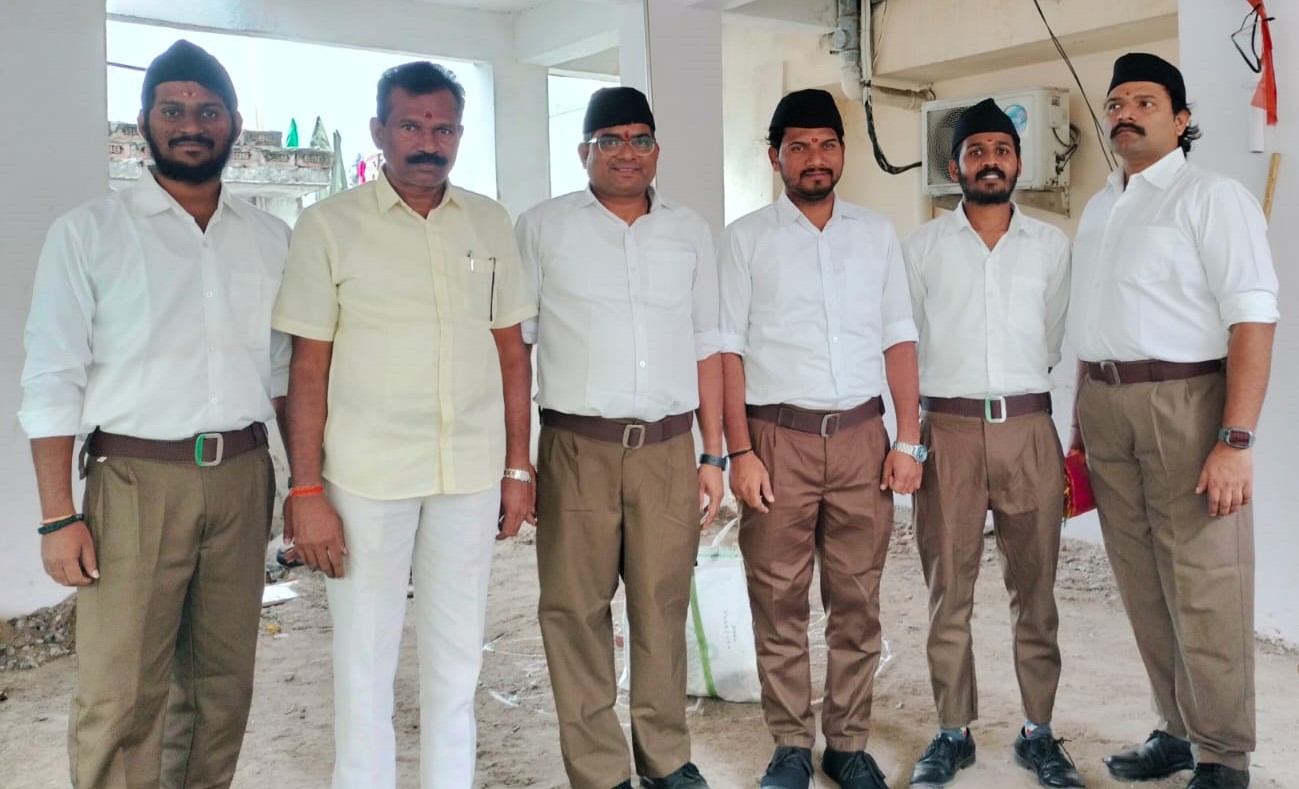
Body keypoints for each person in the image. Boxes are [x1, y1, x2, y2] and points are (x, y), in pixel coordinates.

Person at [18, 40, 288, 789]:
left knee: (220, 686)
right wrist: (56, 517)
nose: (190, 124)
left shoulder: (270, 238)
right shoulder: (90, 233)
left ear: (234, 124)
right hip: (135, 480)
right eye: (173, 109)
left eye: (208, 110)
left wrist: (304, 485)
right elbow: (52, 377)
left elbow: (284, 374)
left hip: (243, 478)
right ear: (144, 123)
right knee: (121, 692)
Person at [271, 61, 535, 789]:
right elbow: (307, 369)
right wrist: (305, 490)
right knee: (364, 660)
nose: (428, 141)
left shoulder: (487, 221)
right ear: (379, 131)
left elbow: (511, 353)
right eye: (412, 126)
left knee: (458, 658)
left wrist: (518, 466)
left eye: (443, 128)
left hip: (468, 472)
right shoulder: (329, 226)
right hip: (367, 476)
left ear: (459, 134)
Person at [1068, 53, 1278, 789]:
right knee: (1142, 581)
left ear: (1181, 119)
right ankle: (1177, 728)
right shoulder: (1101, 206)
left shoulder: (1211, 198)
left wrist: (1235, 440)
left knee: (1204, 581)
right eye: (1115, 102)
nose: (1124, 113)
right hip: (1104, 405)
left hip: (1184, 405)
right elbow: (1093, 322)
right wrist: (1079, 424)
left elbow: (1253, 318)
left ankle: (1223, 754)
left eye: (1144, 102)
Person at [517, 86, 723, 789]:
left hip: (668, 448)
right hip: (576, 447)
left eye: (639, 139)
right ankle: (600, 769)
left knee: (661, 603)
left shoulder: (689, 231)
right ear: (585, 151)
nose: (626, 152)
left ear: (656, 150)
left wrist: (713, 453)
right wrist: (518, 461)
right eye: (609, 140)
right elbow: (514, 348)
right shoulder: (543, 227)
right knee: (574, 608)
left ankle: (665, 757)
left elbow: (708, 342)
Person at [718, 88, 923, 789]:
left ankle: (848, 741)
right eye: (799, 146)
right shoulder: (745, 239)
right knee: (778, 596)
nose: (815, 157)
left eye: (827, 145)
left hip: (864, 437)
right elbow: (727, 350)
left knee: (857, 598)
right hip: (778, 440)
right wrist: (739, 451)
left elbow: (898, 335)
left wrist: (908, 439)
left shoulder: (875, 233)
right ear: (773, 155)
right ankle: (787, 743)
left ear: (843, 152)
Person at [902, 99, 1082, 789]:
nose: (989, 162)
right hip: (945, 431)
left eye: (1001, 150)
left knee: (1035, 589)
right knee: (948, 589)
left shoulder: (1050, 247)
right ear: (954, 168)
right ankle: (952, 731)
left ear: (1018, 163)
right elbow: (906, 343)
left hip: (1027, 430)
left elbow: (1055, 337)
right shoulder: (921, 248)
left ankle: (1040, 731)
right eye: (975, 151)